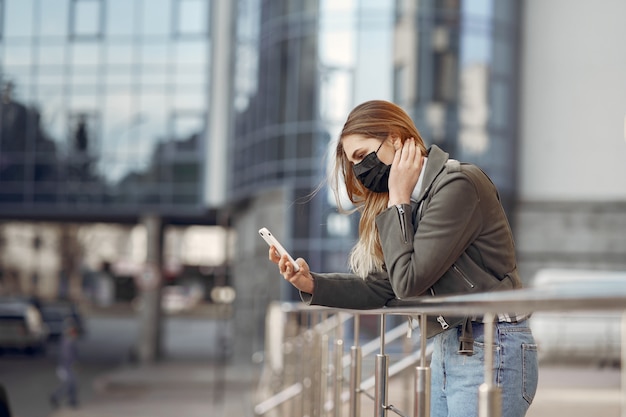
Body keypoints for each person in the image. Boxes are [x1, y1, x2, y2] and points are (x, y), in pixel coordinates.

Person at [269, 100, 538, 417]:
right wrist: (312, 284)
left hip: (491, 345)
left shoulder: (457, 185)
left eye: (361, 155)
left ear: (395, 139)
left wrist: (397, 199)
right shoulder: (415, 200)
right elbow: (387, 286)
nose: (359, 170)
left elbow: (408, 283)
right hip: (453, 344)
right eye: (353, 162)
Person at [50, 319, 80, 409]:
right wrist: (73, 364)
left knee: (72, 384)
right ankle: (55, 397)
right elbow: (67, 356)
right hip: (66, 367)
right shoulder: (67, 341)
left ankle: (72, 401)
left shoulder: (68, 340)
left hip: (68, 367)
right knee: (69, 384)